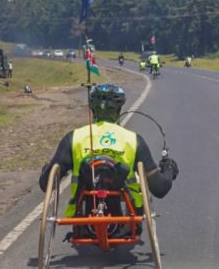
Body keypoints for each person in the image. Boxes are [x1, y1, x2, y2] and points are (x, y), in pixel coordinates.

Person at [38, 84, 178, 232]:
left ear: (92, 108)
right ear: (119, 110)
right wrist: (169, 169)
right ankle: (132, 221)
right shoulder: (133, 140)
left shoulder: (74, 138)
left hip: (83, 211)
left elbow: (45, 184)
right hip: (123, 199)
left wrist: (47, 169)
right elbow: (159, 188)